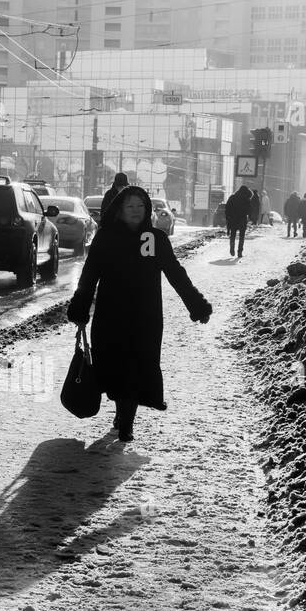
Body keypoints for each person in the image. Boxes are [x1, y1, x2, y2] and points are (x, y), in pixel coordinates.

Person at [66, 184, 212, 444]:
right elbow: (89, 276)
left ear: (147, 211)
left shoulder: (156, 238)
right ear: (120, 210)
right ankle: (121, 414)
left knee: (136, 367)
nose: (136, 211)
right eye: (130, 206)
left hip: (145, 317)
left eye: (140, 206)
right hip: (111, 316)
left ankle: (126, 423)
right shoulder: (106, 237)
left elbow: (176, 274)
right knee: (114, 366)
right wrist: (80, 308)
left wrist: (196, 304)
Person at [224, 183, 253, 258]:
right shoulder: (247, 199)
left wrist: (228, 217)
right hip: (242, 219)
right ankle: (240, 252)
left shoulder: (232, 197)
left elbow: (227, 208)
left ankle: (232, 248)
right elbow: (249, 210)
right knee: (242, 236)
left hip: (233, 219)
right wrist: (249, 217)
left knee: (233, 234)